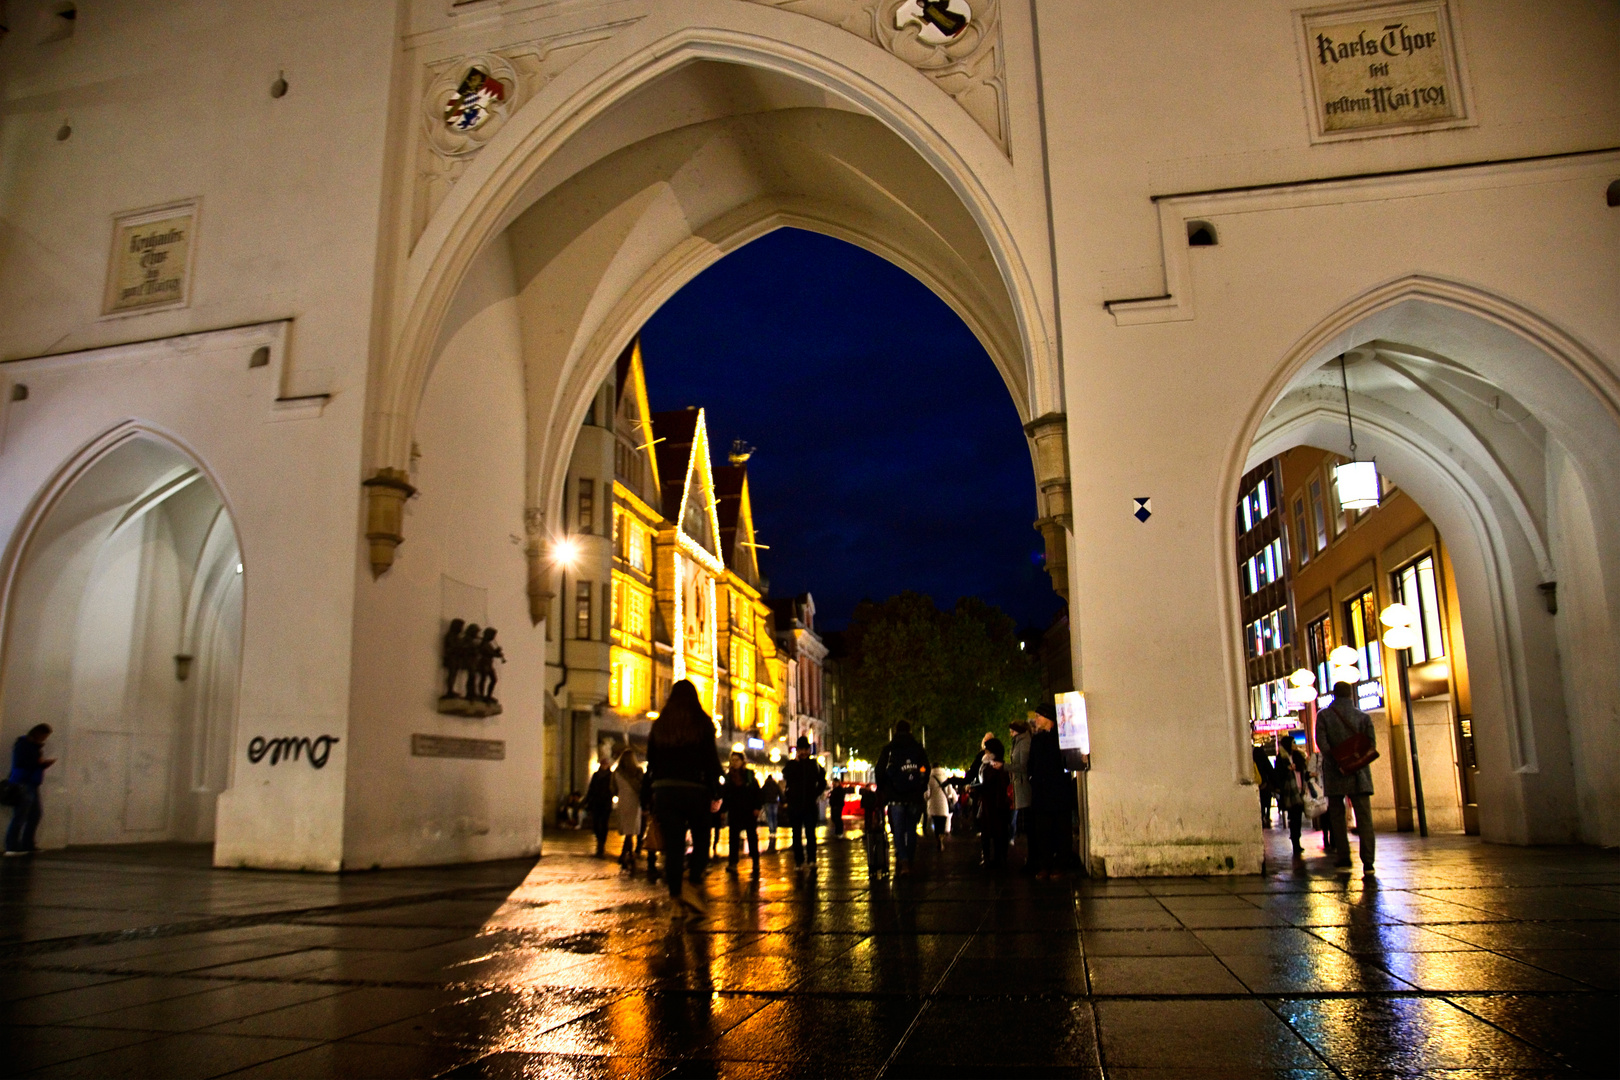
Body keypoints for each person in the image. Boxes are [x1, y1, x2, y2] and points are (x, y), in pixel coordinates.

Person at [646, 680, 723, 914]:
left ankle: (675, 900)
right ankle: (693, 882)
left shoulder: (660, 724)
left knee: (674, 847)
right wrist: (716, 792)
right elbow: (711, 760)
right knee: (702, 839)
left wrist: (651, 794)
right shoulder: (702, 723)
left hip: (665, 791)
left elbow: (651, 761)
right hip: (695, 789)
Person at [1316, 681, 1377, 875]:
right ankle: (1368, 862)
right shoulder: (1363, 717)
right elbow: (1371, 746)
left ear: (1334, 694)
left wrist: (1337, 761)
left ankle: (1343, 857)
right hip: (1359, 774)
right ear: (1351, 695)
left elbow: (1322, 744)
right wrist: (1355, 762)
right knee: (1365, 819)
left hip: (1335, 773)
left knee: (1337, 817)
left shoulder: (1324, 716)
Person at [875, 720, 931, 876]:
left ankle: (904, 860)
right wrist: (921, 785)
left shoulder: (889, 749)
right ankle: (910, 859)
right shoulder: (918, 748)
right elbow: (926, 768)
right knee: (911, 829)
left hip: (895, 797)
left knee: (898, 830)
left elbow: (879, 771)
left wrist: (884, 789)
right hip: (914, 796)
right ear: (910, 731)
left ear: (895, 731)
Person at [1025, 705, 1072, 879]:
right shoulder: (1037, 739)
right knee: (1042, 831)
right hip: (1041, 792)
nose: (1036, 719)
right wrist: (1033, 778)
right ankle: (1045, 865)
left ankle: (1060, 865)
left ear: (1048, 718)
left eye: (1039, 716)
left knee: (1061, 829)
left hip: (1058, 791)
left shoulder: (1061, 738)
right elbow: (1031, 763)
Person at [5, 724, 55, 856]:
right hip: (23, 783)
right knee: (21, 815)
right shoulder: (24, 745)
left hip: (31, 783)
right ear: (37, 733)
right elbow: (22, 763)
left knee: (34, 815)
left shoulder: (31, 746)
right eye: (44, 736)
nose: (44, 739)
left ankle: (27, 844)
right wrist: (40, 764)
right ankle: (12, 846)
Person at [781, 736, 827, 870]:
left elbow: (822, 781)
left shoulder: (814, 765)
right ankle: (798, 861)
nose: (803, 752)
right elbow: (786, 775)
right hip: (795, 805)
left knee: (810, 834)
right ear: (797, 750)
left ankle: (812, 859)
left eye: (805, 749)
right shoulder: (791, 764)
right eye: (800, 749)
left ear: (809, 750)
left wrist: (816, 793)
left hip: (809, 805)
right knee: (796, 834)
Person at [722, 751, 763, 875]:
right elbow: (725, 795)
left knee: (751, 836)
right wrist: (723, 810)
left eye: (737, 760)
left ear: (742, 761)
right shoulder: (729, 777)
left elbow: (757, 793)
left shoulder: (749, 776)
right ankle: (733, 863)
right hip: (734, 810)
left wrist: (757, 807)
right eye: (732, 760)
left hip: (749, 810)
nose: (734, 763)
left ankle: (755, 861)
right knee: (733, 837)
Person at [977, 737, 1012, 869]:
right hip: (991, 805)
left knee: (997, 833)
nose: (984, 752)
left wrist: (976, 788)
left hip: (995, 805)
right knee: (992, 832)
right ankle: (993, 857)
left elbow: (989, 785)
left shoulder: (995, 767)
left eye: (986, 749)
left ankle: (997, 858)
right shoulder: (987, 765)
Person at [1275, 740, 1310, 857]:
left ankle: (1297, 840)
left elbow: (1304, 770)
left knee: (1298, 818)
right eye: (1292, 743)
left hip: (1299, 790)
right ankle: (1295, 841)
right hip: (1289, 792)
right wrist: (1287, 769)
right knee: (1294, 818)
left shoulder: (1298, 756)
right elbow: (1278, 774)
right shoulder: (1281, 758)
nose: (1294, 745)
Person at [612, 747, 643, 870]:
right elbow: (642, 787)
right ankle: (624, 854)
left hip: (623, 801)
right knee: (630, 831)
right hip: (634, 801)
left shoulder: (617, 772)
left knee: (627, 829)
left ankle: (629, 854)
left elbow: (613, 788)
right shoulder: (637, 771)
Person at [585, 754, 616, 857]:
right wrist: (588, 800)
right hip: (596, 802)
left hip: (606, 802)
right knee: (596, 823)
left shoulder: (611, 776)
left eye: (606, 764)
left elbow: (613, 788)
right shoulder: (596, 775)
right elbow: (591, 788)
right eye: (603, 763)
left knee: (604, 823)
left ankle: (601, 843)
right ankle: (599, 840)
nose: (604, 765)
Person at [1009, 718, 1032, 849]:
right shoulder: (1018, 743)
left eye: (1012, 731)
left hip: (1024, 787)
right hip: (1020, 785)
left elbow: (1023, 766)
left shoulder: (1024, 744)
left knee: (1028, 821)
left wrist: (1005, 766)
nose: (1011, 734)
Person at [925, 765, 950, 851]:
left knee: (936, 824)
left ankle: (938, 839)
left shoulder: (930, 779)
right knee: (942, 825)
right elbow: (950, 792)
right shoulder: (946, 777)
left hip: (934, 805)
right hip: (944, 805)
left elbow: (927, 794)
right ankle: (941, 839)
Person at [1252, 744, 1277, 828]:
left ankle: (1261, 817)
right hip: (1263, 783)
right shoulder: (1259, 752)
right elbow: (1269, 768)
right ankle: (1265, 815)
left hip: (1255, 782)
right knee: (1265, 800)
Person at [760, 772, 781, 852]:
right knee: (774, 816)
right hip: (774, 802)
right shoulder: (775, 785)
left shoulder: (765, 785)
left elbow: (762, 793)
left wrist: (761, 802)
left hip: (767, 802)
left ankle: (771, 831)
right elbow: (780, 792)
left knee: (769, 817)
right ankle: (774, 831)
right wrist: (783, 801)